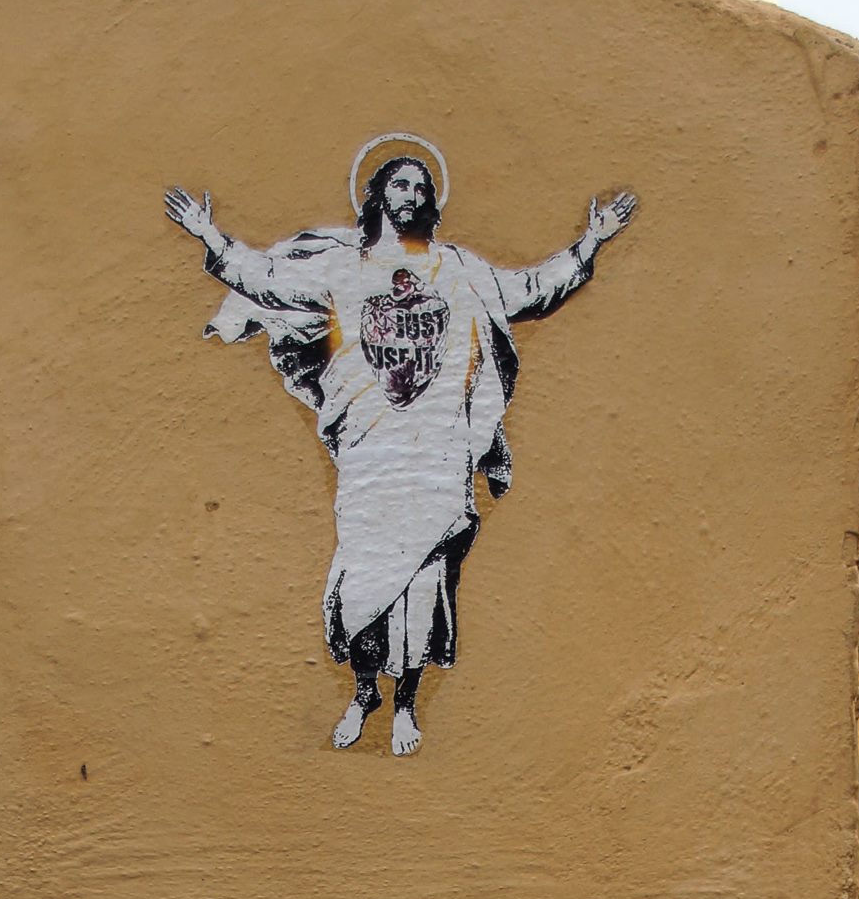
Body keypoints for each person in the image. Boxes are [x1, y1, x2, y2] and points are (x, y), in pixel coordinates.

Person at [165, 143, 636, 755]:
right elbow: (271, 281)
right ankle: (365, 693)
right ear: (377, 196)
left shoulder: (458, 270)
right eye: (399, 184)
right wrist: (209, 235)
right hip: (370, 452)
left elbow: (527, 290)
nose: (411, 196)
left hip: (438, 453)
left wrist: (592, 240)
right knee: (362, 579)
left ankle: (406, 705)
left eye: (421, 186)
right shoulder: (344, 270)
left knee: (424, 583)